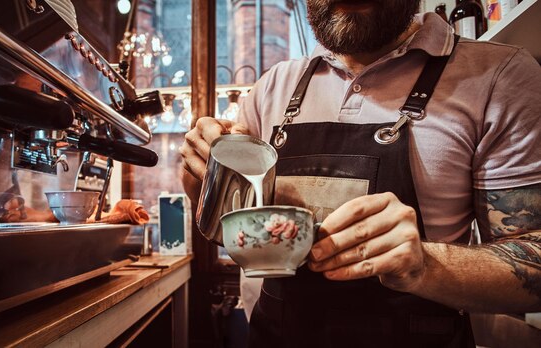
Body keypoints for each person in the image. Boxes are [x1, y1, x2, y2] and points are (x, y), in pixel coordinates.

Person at [180, 0, 541, 346]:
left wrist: (425, 266)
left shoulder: (499, 76)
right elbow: (234, 231)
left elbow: (534, 260)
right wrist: (203, 179)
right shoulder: (275, 86)